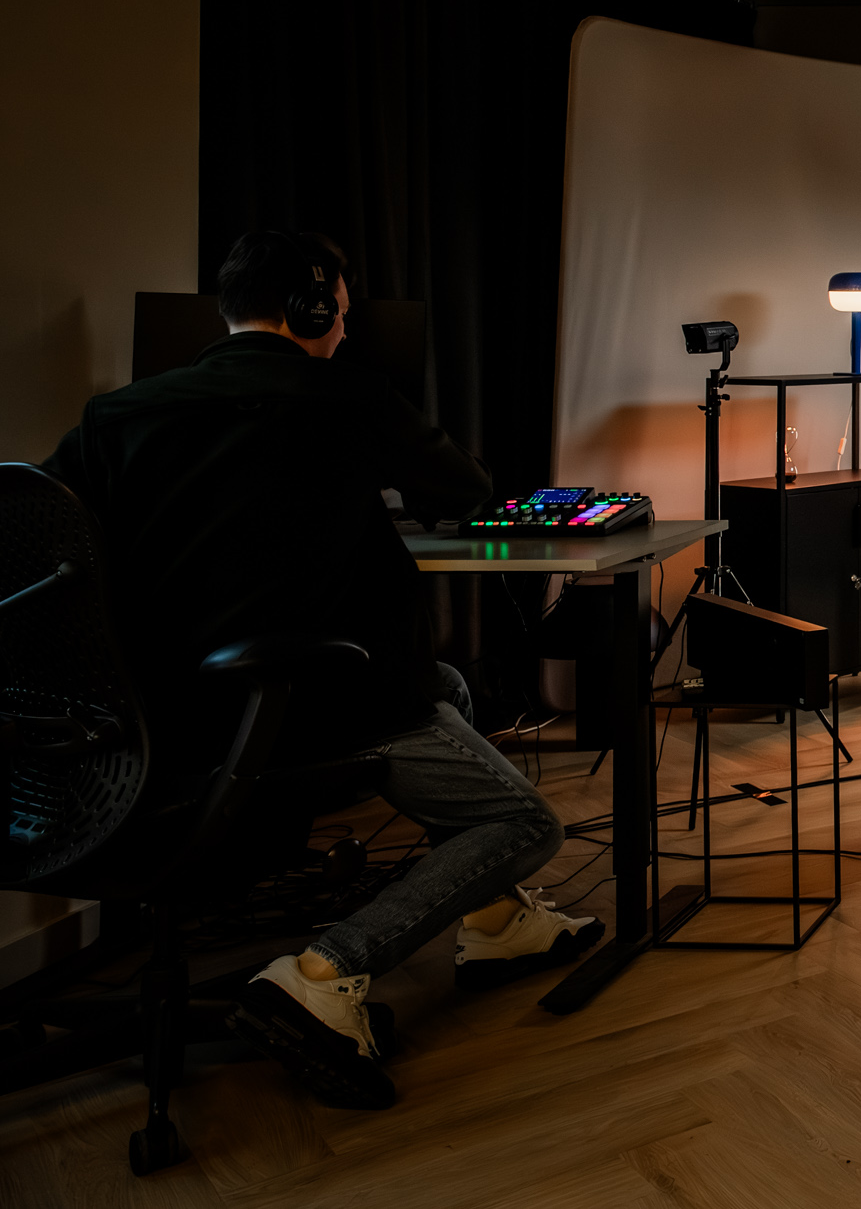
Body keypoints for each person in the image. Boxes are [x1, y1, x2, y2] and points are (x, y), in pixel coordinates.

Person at [41, 231, 597, 1112]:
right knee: (525, 820)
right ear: (313, 311)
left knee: (448, 685)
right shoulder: (348, 394)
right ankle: (321, 972)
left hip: (162, 719)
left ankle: (494, 920)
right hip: (319, 704)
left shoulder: (120, 415)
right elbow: (467, 489)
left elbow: (47, 542)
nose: (342, 329)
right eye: (339, 314)